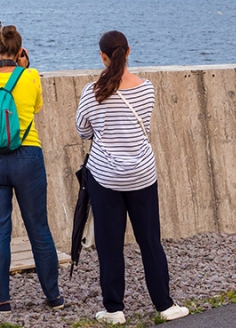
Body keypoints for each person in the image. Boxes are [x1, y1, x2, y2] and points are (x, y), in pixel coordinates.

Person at [75, 31, 189, 325]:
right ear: (128, 52)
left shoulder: (92, 92)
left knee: (110, 245)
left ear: (102, 56)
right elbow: (143, 126)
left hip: (105, 177)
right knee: (150, 241)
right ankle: (164, 305)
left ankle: (114, 310)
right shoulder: (146, 89)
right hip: (142, 175)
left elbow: (83, 131)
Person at [0, 26, 64, 312]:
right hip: (28, 155)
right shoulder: (31, 76)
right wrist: (24, 67)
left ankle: (2, 299)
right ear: (20, 50)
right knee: (38, 226)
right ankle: (53, 297)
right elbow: (36, 107)